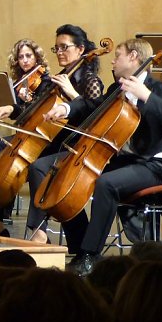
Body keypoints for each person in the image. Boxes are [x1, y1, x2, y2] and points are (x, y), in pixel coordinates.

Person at [41, 38, 162, 275]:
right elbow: (91, 106)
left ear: (133, 57)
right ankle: (78, 244)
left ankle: (90, 254)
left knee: (106, 184)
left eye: (117, 55)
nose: (112, 60)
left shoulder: (161, 89)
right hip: (121, 161)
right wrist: (66, 108)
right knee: (64, 171)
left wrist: (146, 96)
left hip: (151, 164)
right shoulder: (116, 88)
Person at [22, 24, 105, 245]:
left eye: (64, 47)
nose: (59, 52)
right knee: (42, 170)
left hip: (81, 147)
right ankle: (75, 241)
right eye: (56, 48)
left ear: (80, 49)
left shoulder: (90, 80)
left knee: (41, 168)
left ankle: (38, 231)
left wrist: (71, 93)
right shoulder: (58, 76)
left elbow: (96, 115)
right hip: (59, 143)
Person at [0, 38, 50, 236]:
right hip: (20, 138)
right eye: (21, 57)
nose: (25, 61)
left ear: (37, 57)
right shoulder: (18, 83)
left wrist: (23, 105)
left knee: (4, 164)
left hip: (38, 141)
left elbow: (38, 112)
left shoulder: (45, 82)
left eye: (29, 56)